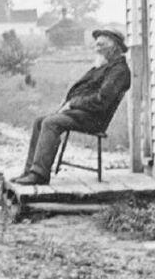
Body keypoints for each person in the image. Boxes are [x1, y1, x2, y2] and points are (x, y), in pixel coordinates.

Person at [11, 29, 131, 186]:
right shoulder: (104, 66)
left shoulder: (119, 71)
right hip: (82, 113)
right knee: (40, 121)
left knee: (51, 123)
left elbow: (101, 101)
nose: (97, 49)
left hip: (94, 119)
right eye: (96, 45)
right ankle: (30, 171)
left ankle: (39, 175)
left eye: (101, 45)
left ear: (114, 47)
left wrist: (72, 103)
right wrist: (68, 102)